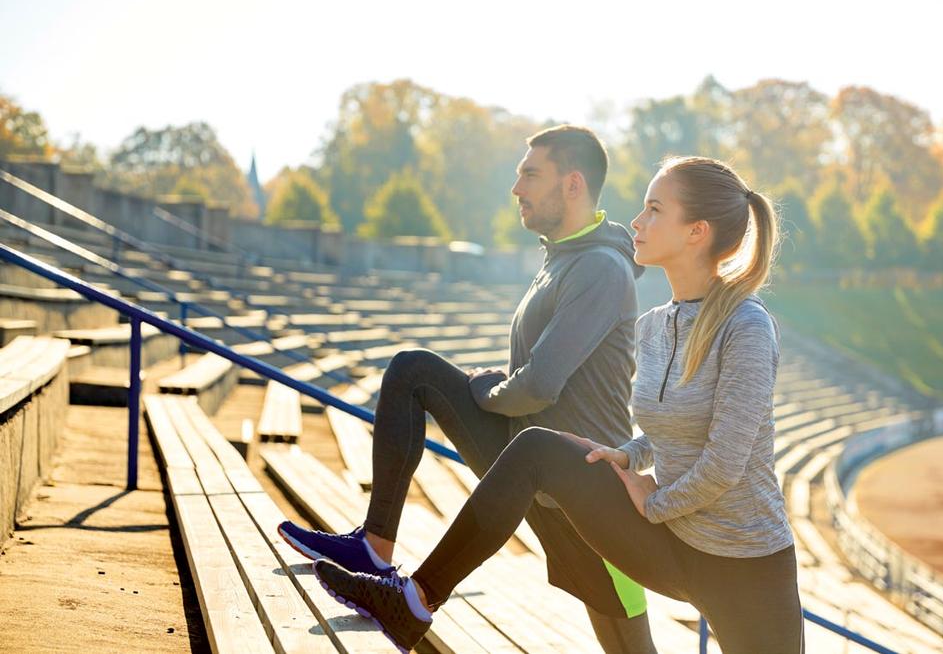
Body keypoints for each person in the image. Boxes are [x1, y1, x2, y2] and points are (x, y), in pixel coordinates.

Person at [312, 156, 806, 654]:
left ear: (696, 231)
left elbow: (726, 461)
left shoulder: (746, 326)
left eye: (654, 209)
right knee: (539, 451)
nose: (636, 221)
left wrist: (654, 503)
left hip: (746, 566)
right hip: (673, 544)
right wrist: (629, 456)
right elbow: (668, 428)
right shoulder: (656, 325)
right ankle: (412, 603)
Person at [278, 125, 659, 652]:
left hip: (587, 489)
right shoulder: (562, 258)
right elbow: (536, 378)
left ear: (573, 185)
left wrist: (487, 392)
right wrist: (498, 387)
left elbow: (542, 384)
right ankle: (374, 547)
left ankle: (411, 600)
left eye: (530, 174)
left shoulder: (600, 266)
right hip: (528, 466)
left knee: (628, 643)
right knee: (413, 372)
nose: (516, 188)